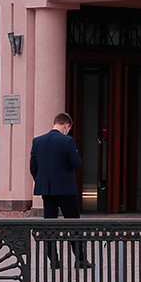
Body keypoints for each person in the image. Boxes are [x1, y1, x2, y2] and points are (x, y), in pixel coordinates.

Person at [30, 112, 89, 268]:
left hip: (47, 190)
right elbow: (77, 163)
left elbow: (33, 167)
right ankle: (80, 259)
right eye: (68, 128)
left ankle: (54, 261)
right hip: (66, 190)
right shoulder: (67, 141)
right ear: (66, 126)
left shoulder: (38, 141)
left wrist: (43, 181)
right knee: (73, 224)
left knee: (49, 224)